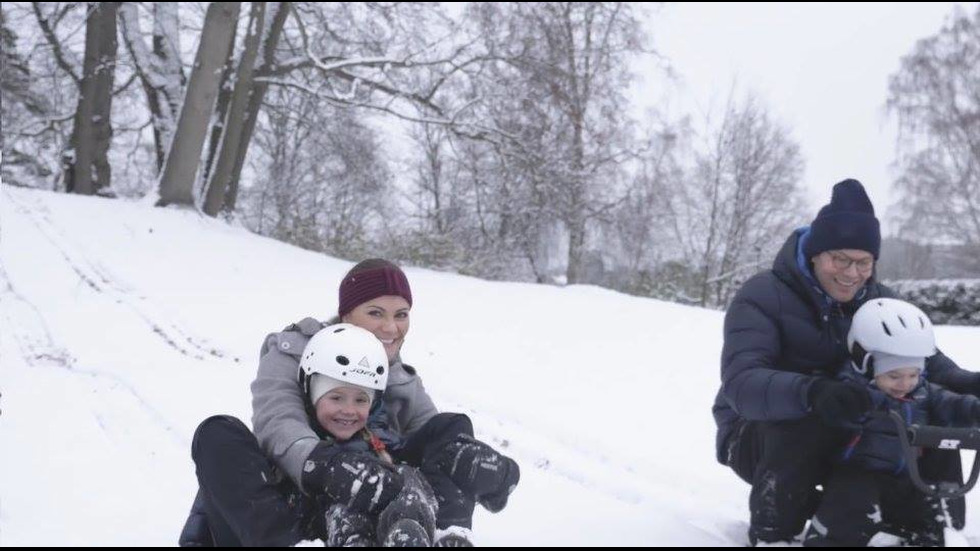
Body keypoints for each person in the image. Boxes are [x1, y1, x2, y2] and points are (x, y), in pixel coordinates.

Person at [712, 179, 980, 545]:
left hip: (855, 427)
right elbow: (742, 383)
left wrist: (967, 383)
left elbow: (924, 364)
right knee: (803, 419)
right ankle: (774, 531)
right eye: (841, 259)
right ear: (816, 254)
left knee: (926, 417)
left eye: (864, 262)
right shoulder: (763, 295)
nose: (852, 273)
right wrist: (813, 391)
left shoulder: (880, 298)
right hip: (759, 435)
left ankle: (925, 528)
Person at [180, 259, 519, 547]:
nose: (391, 327)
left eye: (401, 314)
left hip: (367, 500)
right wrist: (327, 466)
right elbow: (278, 423)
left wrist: (471, 463)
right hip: (293, 501)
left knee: (451, 428)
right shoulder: (292, 353)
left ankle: (445, 532)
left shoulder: (399, 376)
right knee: (217, 434)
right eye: (376, 312)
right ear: (345, 314)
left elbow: (434, 440)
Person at [802, 299, 980, 547]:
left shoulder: (923, 391)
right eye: (893, 375)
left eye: (913, 374)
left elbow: (951, 404)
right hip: (858, 476)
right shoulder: (854, 393)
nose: (905, 383)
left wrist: (973, 409)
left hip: (907, 477)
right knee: (853, 504)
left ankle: (932, 535)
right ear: (866, 365)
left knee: (932, 500)